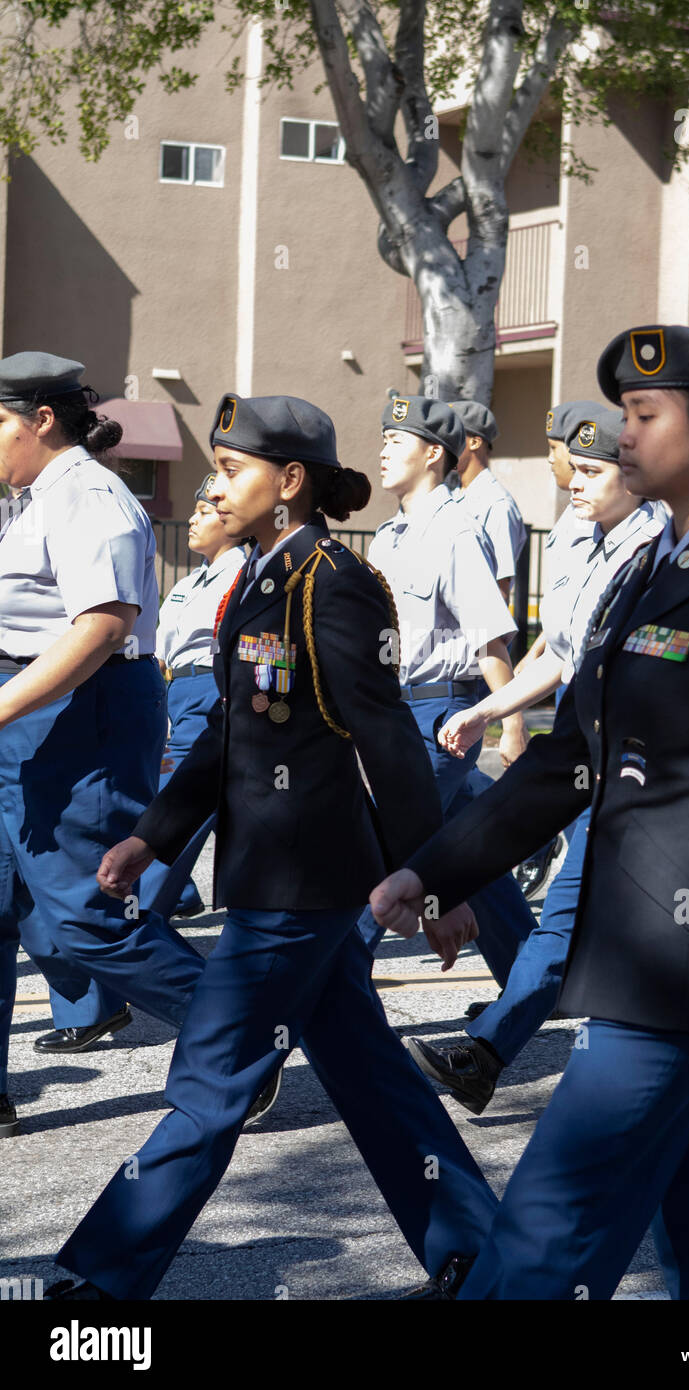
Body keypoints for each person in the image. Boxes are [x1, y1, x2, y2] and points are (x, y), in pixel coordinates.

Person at [371, 324, 689, 1301]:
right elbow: (567, 761)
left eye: (644, 416)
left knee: (547, 1225)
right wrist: (432, 872)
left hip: (688, 959)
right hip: (644, 956)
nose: (620, 435)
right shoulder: (645, 573)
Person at [46, 391, 498, 1301]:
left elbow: (385, 738)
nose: (216, 487)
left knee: (211, 1074)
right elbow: (229, 736)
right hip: (270, 873)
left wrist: (436, 879)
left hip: (307, 882)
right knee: (371, 1076)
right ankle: (480, 1252)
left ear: (289, 482)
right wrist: (152, 837)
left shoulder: (335, 582)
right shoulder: (257, 579)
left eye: (232, 469)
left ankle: (102, 1279)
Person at [406, 403, 665, 1114]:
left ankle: (486, 1051)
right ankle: (488, 1053)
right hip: (584, 745)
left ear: (635, 476)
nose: (574, 485)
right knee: (579, 923)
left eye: (591, 472)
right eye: (572, 469)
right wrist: (493, 711)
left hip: (634, 764)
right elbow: (558, 649)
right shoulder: (580, 540)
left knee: (573, 915)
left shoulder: (659, 553)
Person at [0, 352, 208, 1138]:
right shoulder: (31, 501)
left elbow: (102, 627)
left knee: (90, 916)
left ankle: (240, 1036)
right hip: (32, 705)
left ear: (42, 420)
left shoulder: (88, 495)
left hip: (78, 711)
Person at [358, 394, 536, 989]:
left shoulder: (458, 531)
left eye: (397, 440)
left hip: (443, 712)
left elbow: (490, 640)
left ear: (434, 453)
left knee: (375, 850)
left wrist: (511, 724)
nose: (383, 450)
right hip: (395, 712)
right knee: (473, 855)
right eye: (382, 438)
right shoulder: (388, 537)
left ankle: (320, 988)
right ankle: (537, 985)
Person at [140, 474, 247, 918]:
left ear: (228, 520)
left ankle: (140, 917)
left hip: (212, 692)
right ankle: (180, 895)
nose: (191, 519)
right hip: (176, 692)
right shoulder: (191, 581)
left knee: (174, 803)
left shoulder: (243, 573)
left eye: (204, 512)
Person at [513, 402, 595, 900]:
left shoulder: (602, 518)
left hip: (589, 681)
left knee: (580, 798)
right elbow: (569, 602)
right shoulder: (568, 518)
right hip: (565, 674)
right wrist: (540, 646)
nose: (550, 459)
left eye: (555, 449)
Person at [448, 399, 526, 605]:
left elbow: (500, 591)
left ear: (474, 442)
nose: (444, 443)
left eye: (453, 435)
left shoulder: (497, 505)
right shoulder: (454, 495)